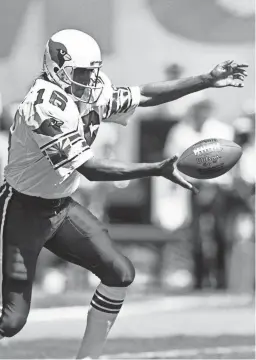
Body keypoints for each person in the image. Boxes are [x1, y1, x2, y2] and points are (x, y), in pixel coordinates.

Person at [0, 29, 248, 359]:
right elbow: (88, 168)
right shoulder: (44, 106)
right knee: (12, 320)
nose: (91, 80)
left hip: (60, 207)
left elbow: (144, 95)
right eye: (82, 73)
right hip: (21, 209)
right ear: (57, 69)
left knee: (120, 273)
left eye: (93, 71)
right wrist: (155, 168)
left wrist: (206, 79)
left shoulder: (89, 90)